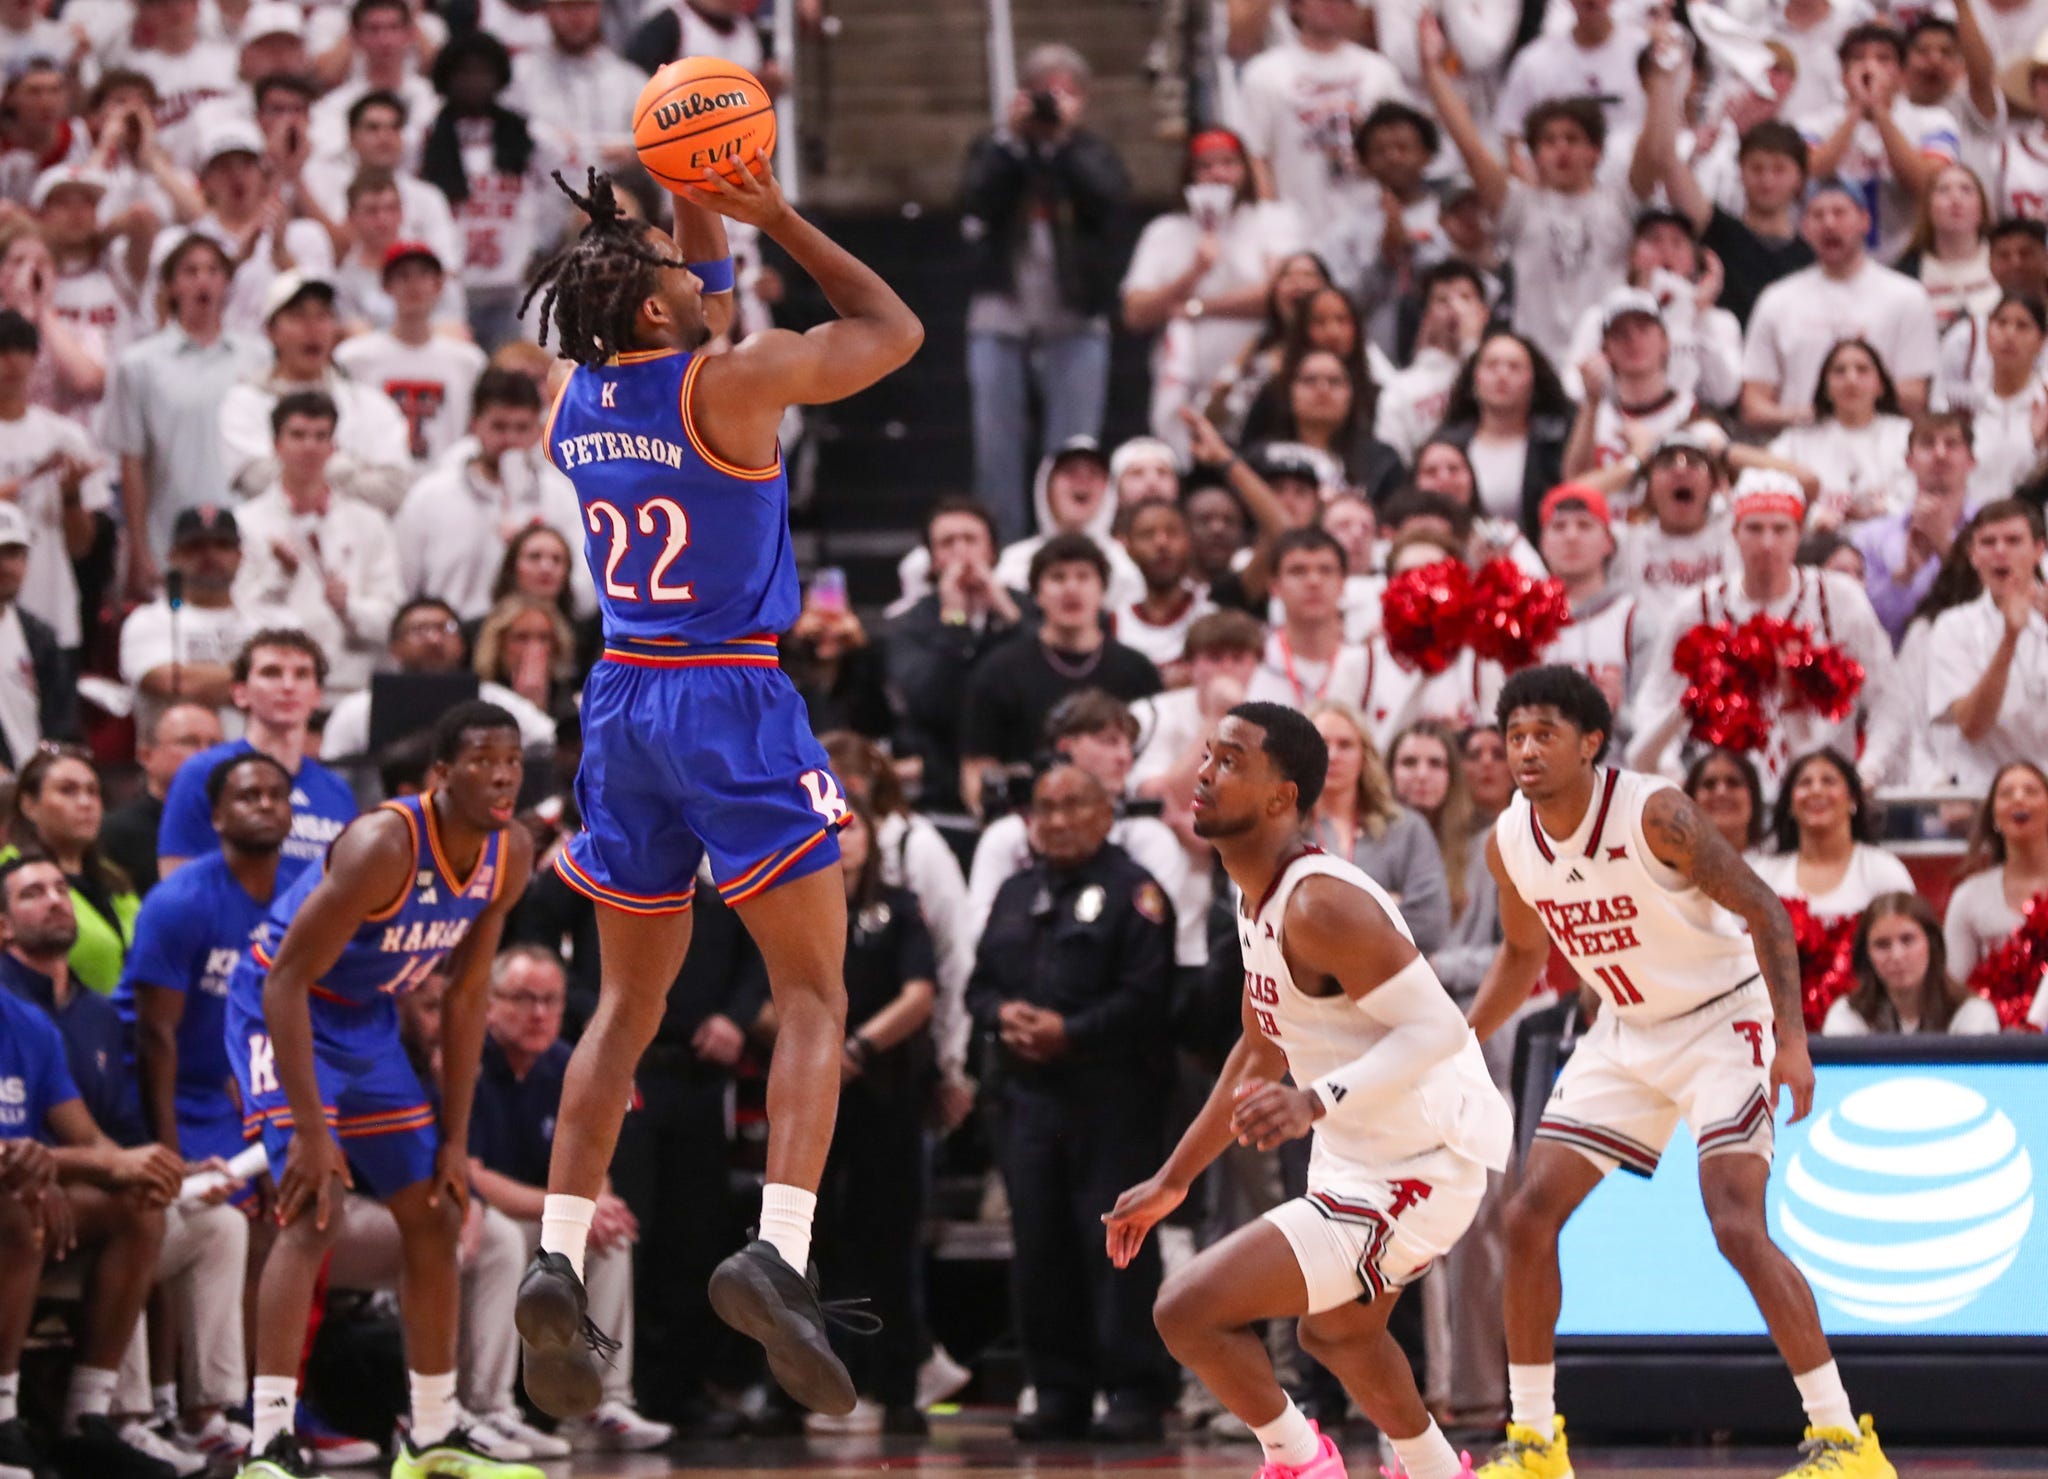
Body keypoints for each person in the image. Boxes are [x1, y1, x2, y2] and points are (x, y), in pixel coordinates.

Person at [509, 155, 922, 1422]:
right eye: (676, 271)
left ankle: (556, 1257)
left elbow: (692, 301)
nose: (697, 273)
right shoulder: (737, 381)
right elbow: (892, 330)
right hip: (730, 699)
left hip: (622, 700)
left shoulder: (572, 399)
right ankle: (778, 1251)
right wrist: (778, 212)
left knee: (625, 1005)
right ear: (655, 312)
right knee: (812, 991)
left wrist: (691, 200)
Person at [1469, 665, 1894, 1479]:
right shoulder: (1509, 840)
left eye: (1544, 733)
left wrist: (1792, 1041)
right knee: (1525, 1217)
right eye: (1514, 734)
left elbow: (1765, 907)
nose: (1524, 749)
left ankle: (1846, 1439)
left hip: (1720, 1019)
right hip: (1624, 1031)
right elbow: (1523, 955)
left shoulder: (1655, 811)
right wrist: (1461, 1037)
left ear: (1591, 742)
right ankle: (1533, 1442)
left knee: (1735, 1222)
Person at [1104, 701, 1510, 1479]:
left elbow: (1441, 1030)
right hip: (1360, 1151)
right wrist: (1173, 1179)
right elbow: (1257, 1051)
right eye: (1206, 755)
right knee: (1339, 1335)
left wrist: (1313, 1101)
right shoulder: (1252, 894)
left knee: (1187, 1310)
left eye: (1230, 760)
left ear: (1281, 797)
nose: (1205, 771)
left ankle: (1301, 1460)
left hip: (1422, 1160)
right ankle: (1433, 1469)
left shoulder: (1324, 903)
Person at [228, 702, 534, 1479]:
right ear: (438, 775)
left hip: (363, 1018)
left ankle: (431, 1435)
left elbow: (467, 1000)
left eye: (513, 760)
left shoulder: (511, 853)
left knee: (436, 1208)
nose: (501, 773)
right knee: (314, 1201)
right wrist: (309, 1127)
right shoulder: (381, 844)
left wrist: (457, 1139)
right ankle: (267, 1440)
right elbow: (286, 979)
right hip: (280, 1005)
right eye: (482, 759)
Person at [966, 763, 1177, 1442]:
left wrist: (1071, 1032)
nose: (1055, 820)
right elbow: (977, 987)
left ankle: (1135, 1390)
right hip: (1028, 1101)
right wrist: (1005, 1016)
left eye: (1071, 806)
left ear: (1105, 812)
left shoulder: (1135, 893)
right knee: (1041, 1248)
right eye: (1044, 808)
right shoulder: (1013, 890)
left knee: (1114, 1245)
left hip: (1112, 1098)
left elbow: (1149, 997)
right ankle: (1059, 1389)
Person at [115, 753, 290, 1453]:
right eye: (248, 794)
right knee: (196, 1213)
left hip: (242, 1091)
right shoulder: (182, 900)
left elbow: (295, 1012)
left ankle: (240, 1401)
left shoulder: (302, 896)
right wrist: (172, 1152)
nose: (265, 804)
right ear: (216, 816)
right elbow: (155, 1036)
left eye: (278, 793)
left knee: (279, 1224)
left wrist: (274, 1112)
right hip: (163, 1091)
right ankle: (175, 1402)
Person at [0, 860, 185, 1478]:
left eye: (62, 891)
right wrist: (45, 1166)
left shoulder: (30, 1024)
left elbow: (89, 1140)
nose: (57, 902)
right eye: (34, 893)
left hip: (22, 1206)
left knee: (139, 1202)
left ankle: (88, 1418)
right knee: (17, 1203)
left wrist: (144, 1166)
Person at [465, 947, 672, 1452]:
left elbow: (594, 1159)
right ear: (490, 1003)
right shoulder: (466, 1061)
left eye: (550, 1001)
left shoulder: (569, 1064)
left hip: (541, 1217)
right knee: (502, 1240)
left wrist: (598, 1204)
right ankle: (485, 1408)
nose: (538, 1013)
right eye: (522, 999)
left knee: (608, 1236)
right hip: (482, 1218)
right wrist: (564, 1208)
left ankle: (603, 1404)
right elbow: (471, 1176)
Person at [1628, 471, 1905, 796]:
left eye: (1780, 528)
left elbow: (1889, 700)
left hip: (1822, 790)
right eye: (1755, 528)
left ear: (1799, 533)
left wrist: (1868, 771)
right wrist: (1672, 772)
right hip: (1727, 793)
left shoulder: (1839, 598)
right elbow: (1654, 701)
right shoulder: (1698, 606)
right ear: (1734, 532)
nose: (1767, 543)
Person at [799, 799, 934, 1433]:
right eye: (830, 830)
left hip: (882, 1089)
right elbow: (764, 996)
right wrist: (820, 1047)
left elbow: (920, 993)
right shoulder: (787, 902)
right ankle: (808, 1386)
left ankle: (897, 1385)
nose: (843, 839)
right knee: (811, 1238)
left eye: (853, 828)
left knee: (890, 1238)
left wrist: (855, 1047)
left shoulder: (898, 907)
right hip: (808, 1092)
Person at [960, 44, 1131, 538]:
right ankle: (1006, 549)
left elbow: (1109, 204)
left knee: (1073, 447)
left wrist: (1063, 145)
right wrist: (1014, 143)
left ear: (1083, 99)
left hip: (1076, 315)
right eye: (1044, 92)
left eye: (1065, 92)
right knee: (997, 448)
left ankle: (1071, 547)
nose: (1052, 103)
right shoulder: (995, 148)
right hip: (1000, 312)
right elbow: (973, 202)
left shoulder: (1092, 152)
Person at [1421, 11, 1653, 370]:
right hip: (1535, 367)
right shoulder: (1518, 205)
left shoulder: (1620, 201)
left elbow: (1656, 149)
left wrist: (1666, 78)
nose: (1561, 150)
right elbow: (1469, 146)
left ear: (1595, 152)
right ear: (1533, 153)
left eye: (1573, 140)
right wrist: (1433, 71)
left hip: (1605, 364)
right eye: (1549, 141)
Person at [1121, 128, 1304, 455]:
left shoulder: (1273, 221)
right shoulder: (1165, 231)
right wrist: (1194, 272)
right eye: (1205, 166)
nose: (1217, 174)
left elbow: (1282, 295)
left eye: (1228, 163)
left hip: (1257, 379)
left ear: (1245, 169)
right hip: (1185, 381)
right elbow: (1135, 312)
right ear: (1189, 175)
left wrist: (1197, 307)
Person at [106, 233, 268, 588]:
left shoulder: (260, 357)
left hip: (247, 533)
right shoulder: (139, 364)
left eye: (213, 271)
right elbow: (131, 463)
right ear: (170, 286)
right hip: (171, 536)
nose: (202, 280)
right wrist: (140, 549)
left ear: (227, 284)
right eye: (190, 271)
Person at [959, 533, 1162, 814]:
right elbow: (977, 769)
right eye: (1057, 577)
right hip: (1031, 821)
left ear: (1102, 591)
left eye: (1083, 577)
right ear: (1037, 594)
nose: (1071, 589)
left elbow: (1156, 762)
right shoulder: (999, 670)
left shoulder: (1137, 670)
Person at [229, 390, 406, 699]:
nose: (310, 446)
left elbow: (394, 619)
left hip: (352, 685)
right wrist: (279, 578)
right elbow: (239, 615)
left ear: (333, 447)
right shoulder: (245, 523)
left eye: (320, 436)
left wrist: (349, 608)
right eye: (298, 435)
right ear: (276, 445)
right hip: (277, 688)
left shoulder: (369, 522)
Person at [158, 628, 357, 882]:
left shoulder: (337, 790)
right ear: (240, 693)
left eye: (302, 674)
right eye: (271, 673)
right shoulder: (203, 772)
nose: (288, 686)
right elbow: (175, 881)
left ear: (317, 695)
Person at [1740, 179, 1941, 428]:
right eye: (1818, 215)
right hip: (1800, 441)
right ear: (1804, 227)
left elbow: (1914, 395)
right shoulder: (1777, 299)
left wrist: (1848, 411)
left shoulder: (1907, 296)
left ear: (1865, 221)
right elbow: (1754, 403)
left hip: (1883, 445)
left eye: (1840, 212)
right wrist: (1815, 415)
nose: (1829, 223)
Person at [216, 273, 414, 512]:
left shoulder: (368, 403)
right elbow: (255, 480)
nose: (312, 328)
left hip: (354, 542)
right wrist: (347, 469)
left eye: (323, 315)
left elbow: (393, 491)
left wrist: (301, 468)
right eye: (298, 316)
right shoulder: (245, 402)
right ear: (271, 331)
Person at [883, 499, 1031, 810]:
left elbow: (1044, 675)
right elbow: (929, 702)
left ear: (992, 551)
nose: (961, 552)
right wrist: (955, 620)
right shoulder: (910, 623)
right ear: (933, 559)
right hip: (942, 779)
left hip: (1021, 766)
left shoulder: (1025, 610)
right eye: (948, 543)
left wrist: (1008, 614)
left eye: (971, 539)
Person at [0, 306, 111, 656]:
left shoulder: (64, 436)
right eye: (0, 352)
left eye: (20, 351)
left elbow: (81, 547)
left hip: (51, 609)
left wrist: (71, 497)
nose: (9, 364)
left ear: (35, 359)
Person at [320, 598, 558, 762]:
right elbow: (335, 771)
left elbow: (547, 740)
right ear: (394, 648)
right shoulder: (359, 709)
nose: (434, 639)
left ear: (462, 644)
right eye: (419, 629)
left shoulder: (492, 700)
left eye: (445, 628)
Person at [1307, 701, 1451, 955]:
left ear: (1365, 755)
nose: (1332, 755)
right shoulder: (1281, 830)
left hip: (1387, 986)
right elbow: (1262, 918)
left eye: (1345, 745)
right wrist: (1383, 902)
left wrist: (1322, 916)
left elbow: (1430, 926)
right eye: (1321, 743)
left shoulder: (1406, 828)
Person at [1923, 498, 2048, 788]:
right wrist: (2010, 638)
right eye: (1988, 543)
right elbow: (1972, 726)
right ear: (1973, 555)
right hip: (1985, 796)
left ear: (2039, 550)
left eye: (2014, 541)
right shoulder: (1953, 626)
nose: (2000, 552)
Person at [0, 743, 139, 996]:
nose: (86, 803)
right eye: (68, 791)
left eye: (93, 791)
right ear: (29, 805)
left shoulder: (114, 877)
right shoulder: (9, 875)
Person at [118, 506, 271, 734]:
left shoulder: (270, 620)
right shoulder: (149, 620)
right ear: (173, 556)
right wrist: (264, 679)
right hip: (179, 762)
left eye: (222, 545)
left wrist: (215, 681)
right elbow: (174, 682)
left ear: (240, 555)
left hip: (257, 760)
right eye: (195, 547)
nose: (210, 555)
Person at [331, 234, 483, 455]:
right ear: (386, 286)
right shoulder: (354, 357)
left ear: (439, 285)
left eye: (423, 275)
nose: (414, 285)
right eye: (403, 276)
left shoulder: (468, 361)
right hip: (379, 475)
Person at [1849, 411, 1976, 644]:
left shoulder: (1995, 532)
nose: (1940, 454)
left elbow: (1998, 605)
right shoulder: (1870, 539)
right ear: (1909, 461)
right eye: (1928, 444)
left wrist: (1946, 548)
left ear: (1971, 461)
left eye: (1952, 444)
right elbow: (1863, 624)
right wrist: (1904, 578)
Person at [1433, 331, 1576, 538]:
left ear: (1533, 381)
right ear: (1474, 379)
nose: (1502, 375)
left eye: (1514, 367)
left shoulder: (1556, 442)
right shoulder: (1447, 444)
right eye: (1492, 365)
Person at [1532, 485, 1651, 734]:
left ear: (1608, 542)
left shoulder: (1635, 619)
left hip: (1616, 767)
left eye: (1585, 525)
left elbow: (1653, 728)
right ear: (1542, 543)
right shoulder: (1521, 621)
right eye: (1558, 526)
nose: (1571, 536)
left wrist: (1615, 713)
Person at [1752, 749, 1915, 923]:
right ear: (1790, 804)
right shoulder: (1764, 874)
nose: (1816, 790)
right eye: (1805, 783)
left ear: (1853, 800)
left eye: (1828, 781)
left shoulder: (1884, 871)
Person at [1825, 892, 2001, 1035]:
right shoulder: (1846, 1015)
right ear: (1866, 955)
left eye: (1908, 940)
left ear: (1932, 944)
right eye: (1882, 945)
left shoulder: (1972, 1013)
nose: (1897, 956)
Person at [103, 702, 224, 897]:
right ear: (146, 755)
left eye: (215, 745)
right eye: (189, 742)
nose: (205, 754)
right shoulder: (116, 833)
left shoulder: (235, 827)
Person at [1945, 760, 2048, 978]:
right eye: (2006, 794)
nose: (2019, 798)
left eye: (2031, 791)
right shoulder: (1968, 896)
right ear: (1994, 816)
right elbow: (1955, 984)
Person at [1608, 426, 1734, 600]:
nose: (1680, 470)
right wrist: (1635, 461)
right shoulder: (1626, 543)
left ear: (1714, 485)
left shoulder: (1736, 533)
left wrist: (1726, 453)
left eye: (1693, 462)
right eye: (1666, 463)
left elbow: (1785, 471)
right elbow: (1565, 498)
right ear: (1649, 487)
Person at [0, 500, 74, 771]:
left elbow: (62, 722)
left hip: (33, 788)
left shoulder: (38, 635)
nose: (5, 566)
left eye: (13, 553)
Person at [1685, 748, 1769, 857]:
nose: (1721, 792)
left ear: (1753, 798)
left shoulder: (1784, 870)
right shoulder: (1665, 871)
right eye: (1709, 784)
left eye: (1733, 782)